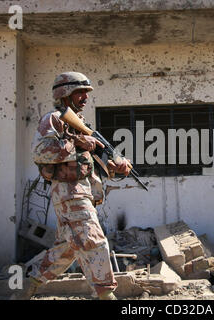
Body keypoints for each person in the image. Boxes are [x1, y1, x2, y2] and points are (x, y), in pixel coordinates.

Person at [11, 72, 131, 300]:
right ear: (64, 94)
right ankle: (107, 296)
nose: (85, 97)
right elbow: (40, 152)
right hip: (69, 193)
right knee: (94, 242)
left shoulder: (82, 125)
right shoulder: (54, 119)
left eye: (86, 93)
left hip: (82, 193)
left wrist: (118, 165)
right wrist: (76, 144)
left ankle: (24, 288)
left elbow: (93, 162)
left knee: (66, 251)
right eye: (80, 92)